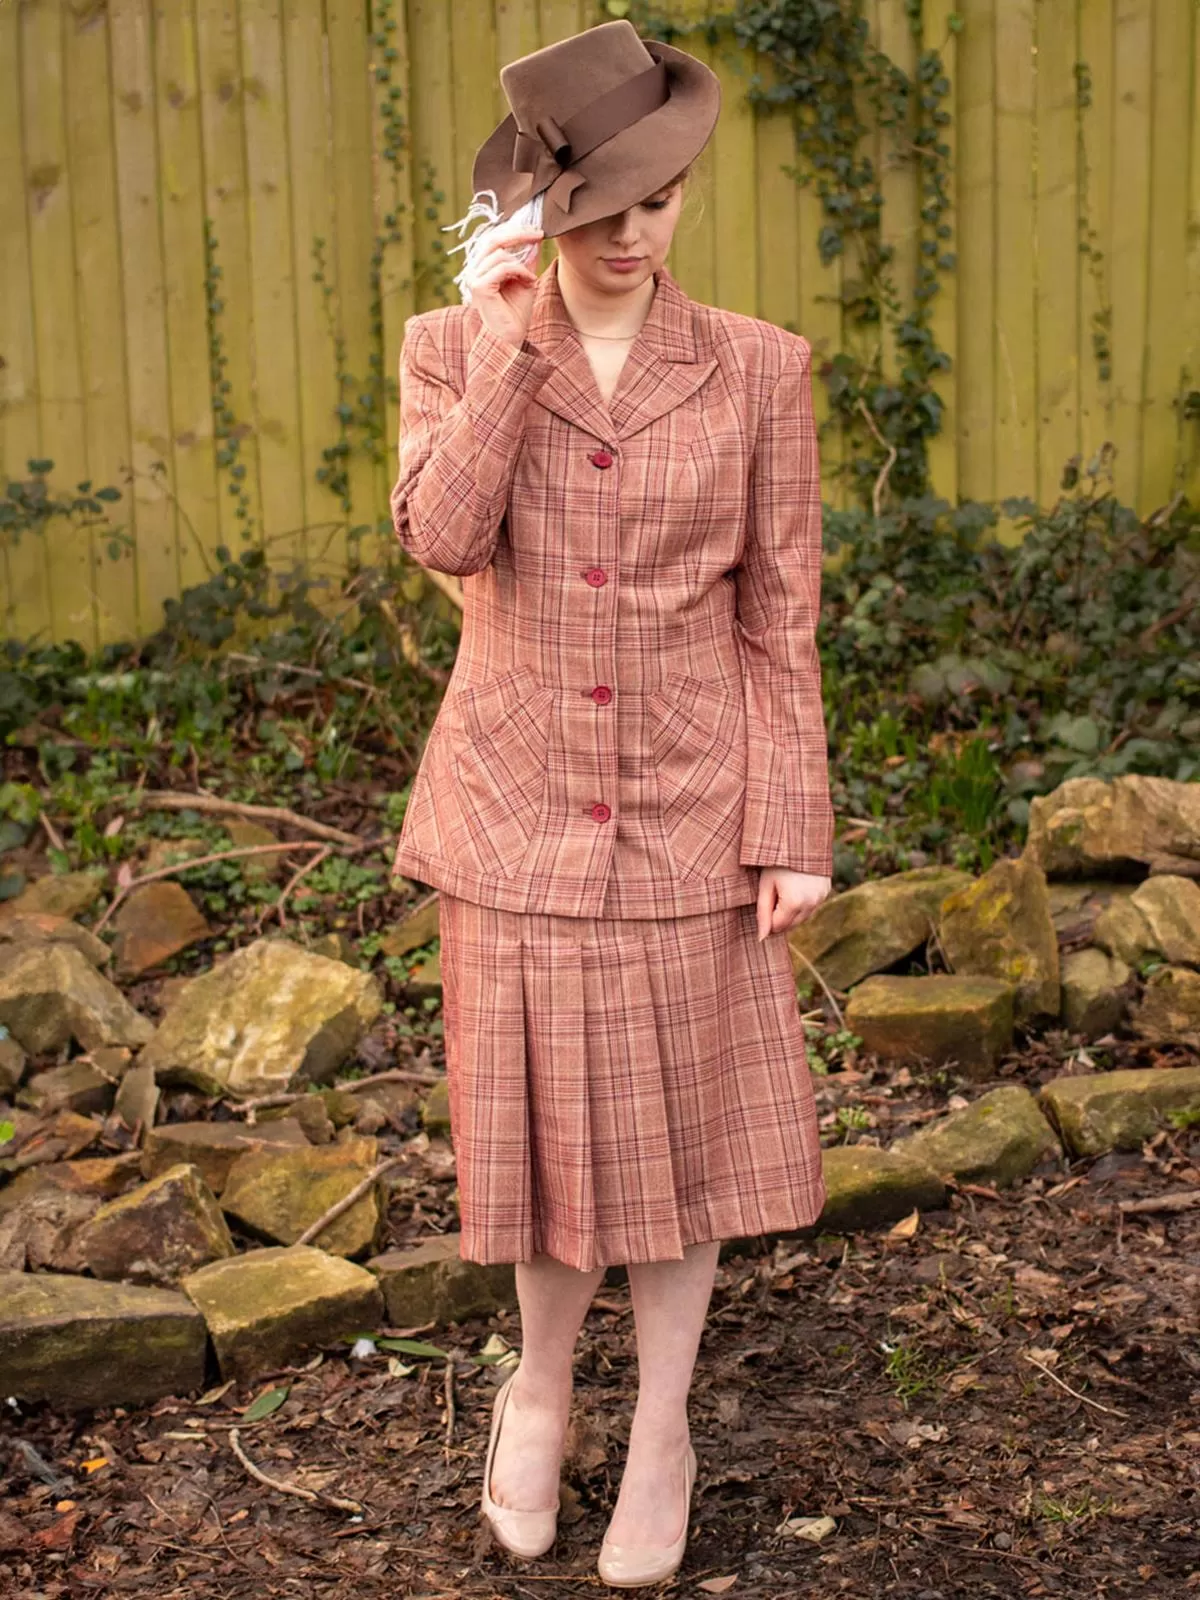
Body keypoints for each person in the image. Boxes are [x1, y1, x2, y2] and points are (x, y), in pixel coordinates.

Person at [389, 19, 834, 1588]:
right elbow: (443, 538)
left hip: (692, 807)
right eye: (603, 205)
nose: (634, 234)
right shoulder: (452, 349)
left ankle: (661, 1429)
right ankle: (540, 1384)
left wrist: (792, 826)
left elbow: (780, 615)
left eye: (663, 198)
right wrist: (513, 344)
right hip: (514, 809)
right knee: (542, 1141)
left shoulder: (763, 369)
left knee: (683, 1147)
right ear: (541, 210)